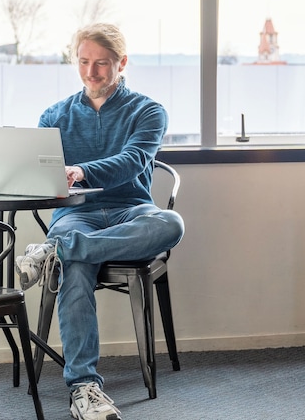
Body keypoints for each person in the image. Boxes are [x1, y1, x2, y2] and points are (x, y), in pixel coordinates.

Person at [15, 22, 185, 420]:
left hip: (131, 210)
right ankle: (84, 389)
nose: (91, 72)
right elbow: (43, 177)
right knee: (76, 269)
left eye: (102, 63)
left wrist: (80, 170)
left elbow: (133, 162)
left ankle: (55, 250)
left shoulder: (148, 111)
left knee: (171, 224)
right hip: (76, 213)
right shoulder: (54, 115)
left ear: (121, 63)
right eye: (83, 62)